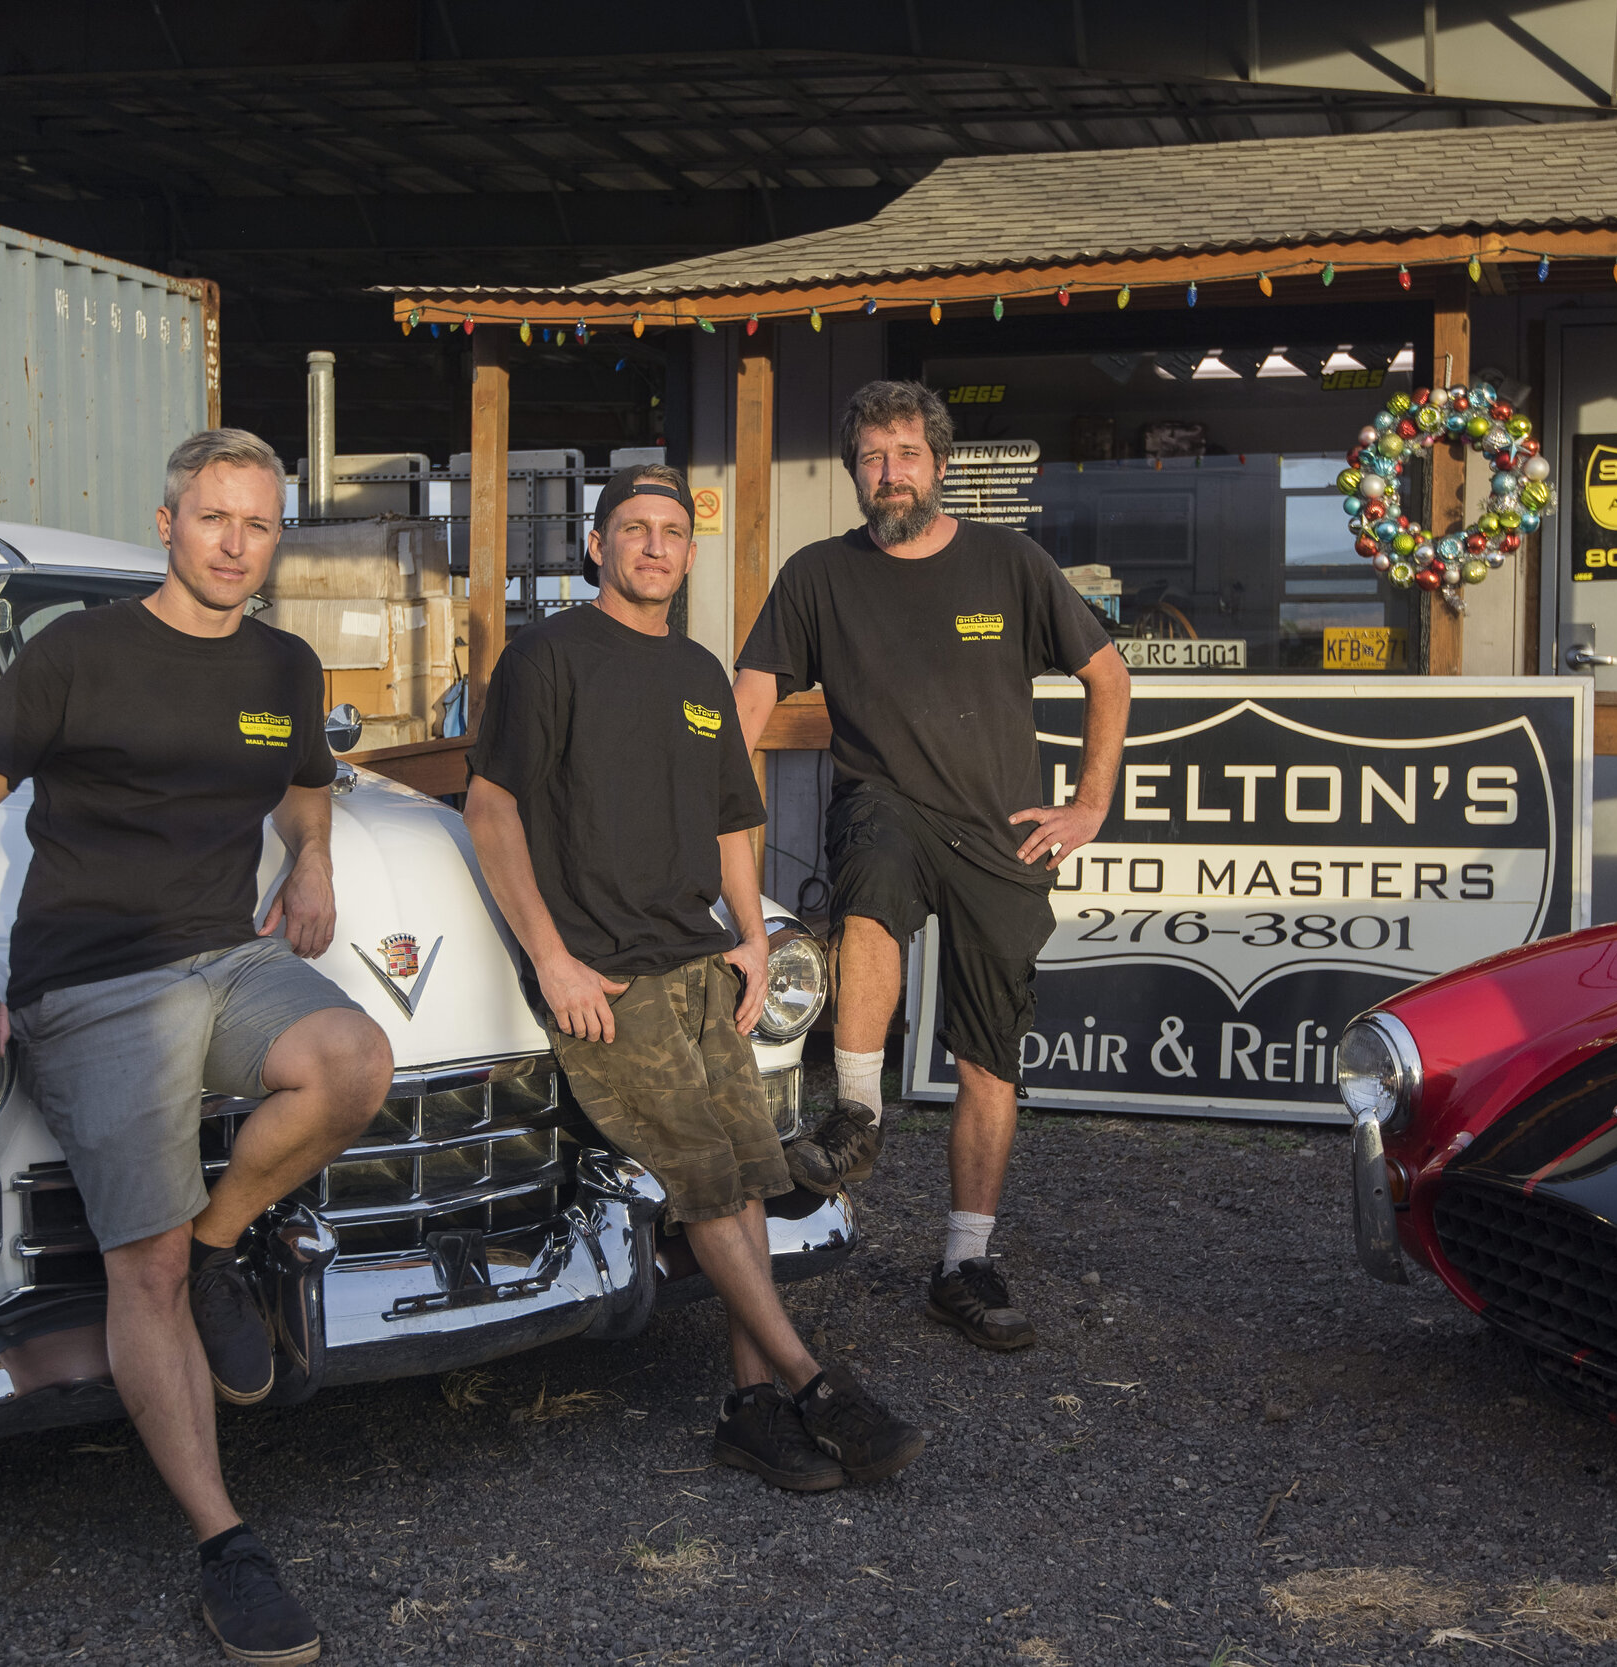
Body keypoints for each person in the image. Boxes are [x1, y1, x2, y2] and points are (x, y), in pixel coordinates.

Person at [0, 428, 393, 1666]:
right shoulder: (78, 653)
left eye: (259, 524)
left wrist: (312, 860)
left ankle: (222, 1241)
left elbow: (304, 779)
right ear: (169, 523)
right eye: (214, 518)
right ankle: (225, 1540)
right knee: (146, 1272)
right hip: (92, 980)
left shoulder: (284, 663)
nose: (236, 544)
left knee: (355, 1060)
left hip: (224, 958)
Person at [463, 463, 924, 1491]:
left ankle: (750, 1412)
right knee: (709, 1183)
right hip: (606, 980)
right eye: (633, 528)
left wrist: (752, 932)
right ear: (597, 545)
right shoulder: (546, 657)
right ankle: (814, 1385)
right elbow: (491, 809)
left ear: (689, 552)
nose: (654, 546)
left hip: (699, 964)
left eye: (672, 530)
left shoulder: (698, 670)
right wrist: (552, 958)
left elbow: (731, 816)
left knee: (750, 1173)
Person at [732, 380, 1130, 1353]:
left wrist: (1089, 804)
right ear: (853, 472)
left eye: (906, 453)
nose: (890, 472)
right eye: (872, 456)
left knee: (990, 1057)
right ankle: (858, 1110)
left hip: (999, 833)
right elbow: (749, 697)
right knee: (869, 878)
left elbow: (1107, 675)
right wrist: (713, 805)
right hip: (888, 803)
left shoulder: (1009, 561)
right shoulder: (819, 574)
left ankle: (964, 1261)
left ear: (939, 465)